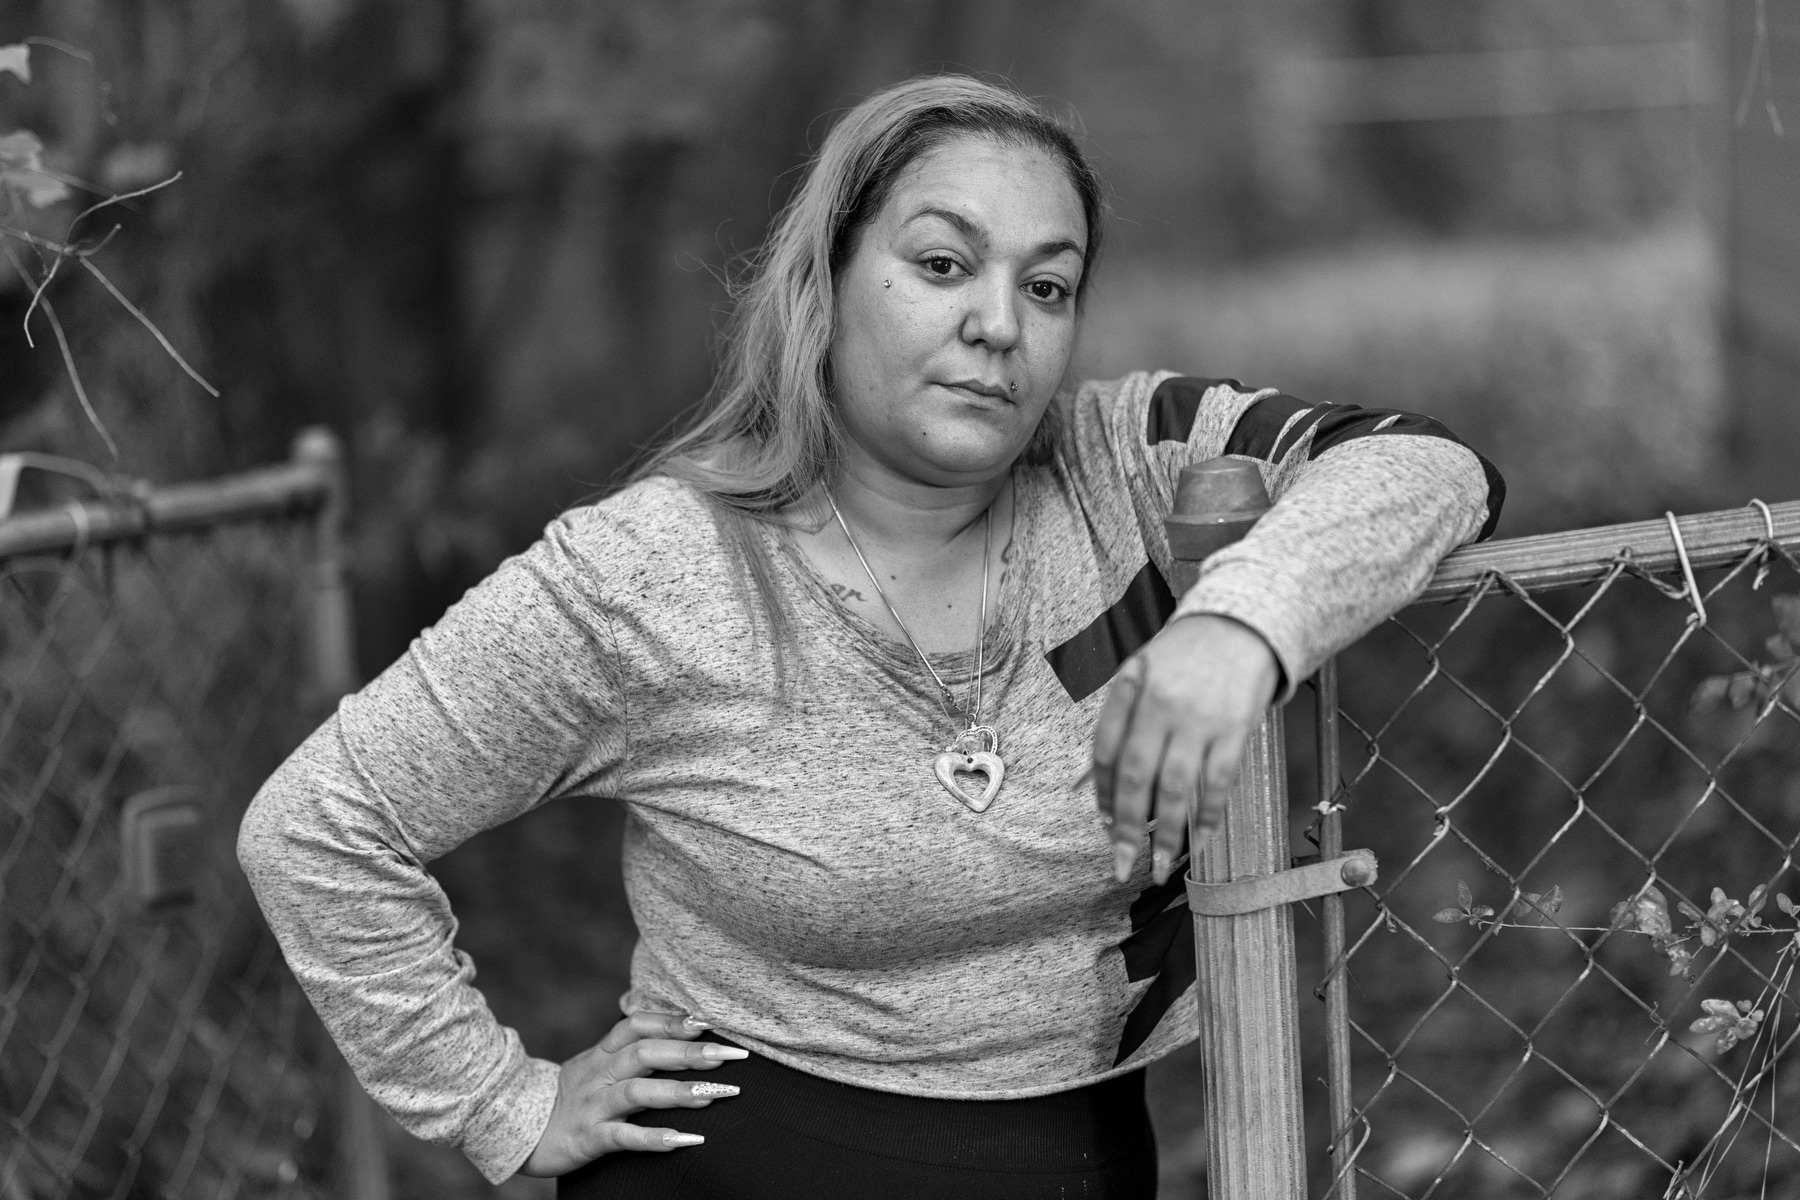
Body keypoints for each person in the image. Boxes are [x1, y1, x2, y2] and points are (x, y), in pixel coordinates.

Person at [238, 74, 1502, 1198]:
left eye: (1046, 284)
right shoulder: (652, 570)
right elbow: (315, 829)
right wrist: (501, 1107)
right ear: (826, 284)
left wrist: (1237, 622)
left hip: (1083, 1158)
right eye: (944, 265)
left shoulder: (1134, 465)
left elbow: (1425, 465)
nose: (1000, 324)